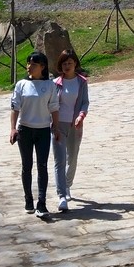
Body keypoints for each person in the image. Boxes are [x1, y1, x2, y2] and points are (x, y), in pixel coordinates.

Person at [10, 51, 60, 219]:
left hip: (43, 130)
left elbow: (54, 108)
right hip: (25, 130)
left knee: (42, 166)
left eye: (33, 64)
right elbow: (15, 108)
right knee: (26, 166)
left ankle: (42, 202)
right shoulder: (21, 84)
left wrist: (57, 127)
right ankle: (28, 200)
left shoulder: (50, 85)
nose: (29, 66)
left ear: (42, 67)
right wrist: (13, 128)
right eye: (28, 63)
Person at [52, 49, 89, 212]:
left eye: (70, 63)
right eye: (64, 63)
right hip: (58, 124)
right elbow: (51, 104)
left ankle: (67, 185)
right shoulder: (55, 83)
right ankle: (61, 194)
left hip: (75, 125)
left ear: (75, 64)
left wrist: (81, 116)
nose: (67, 66)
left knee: (72, 157)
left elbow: (85, 102)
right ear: (60, 65)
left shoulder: (82, 82)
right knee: (59, 161)